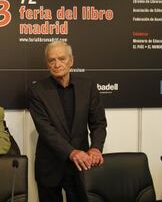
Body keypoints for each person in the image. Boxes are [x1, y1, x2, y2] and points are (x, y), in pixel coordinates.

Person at [28, 41, 107, 202]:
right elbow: (45, 129)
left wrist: (96, 148)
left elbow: (98, 123)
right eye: (52, 60)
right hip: (50, 166)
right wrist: (71, 152)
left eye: (62, 59)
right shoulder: (37, 91)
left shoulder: (88, 87)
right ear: (47, 64)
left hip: (81, 165)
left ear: (71, 61)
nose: (57, 64)